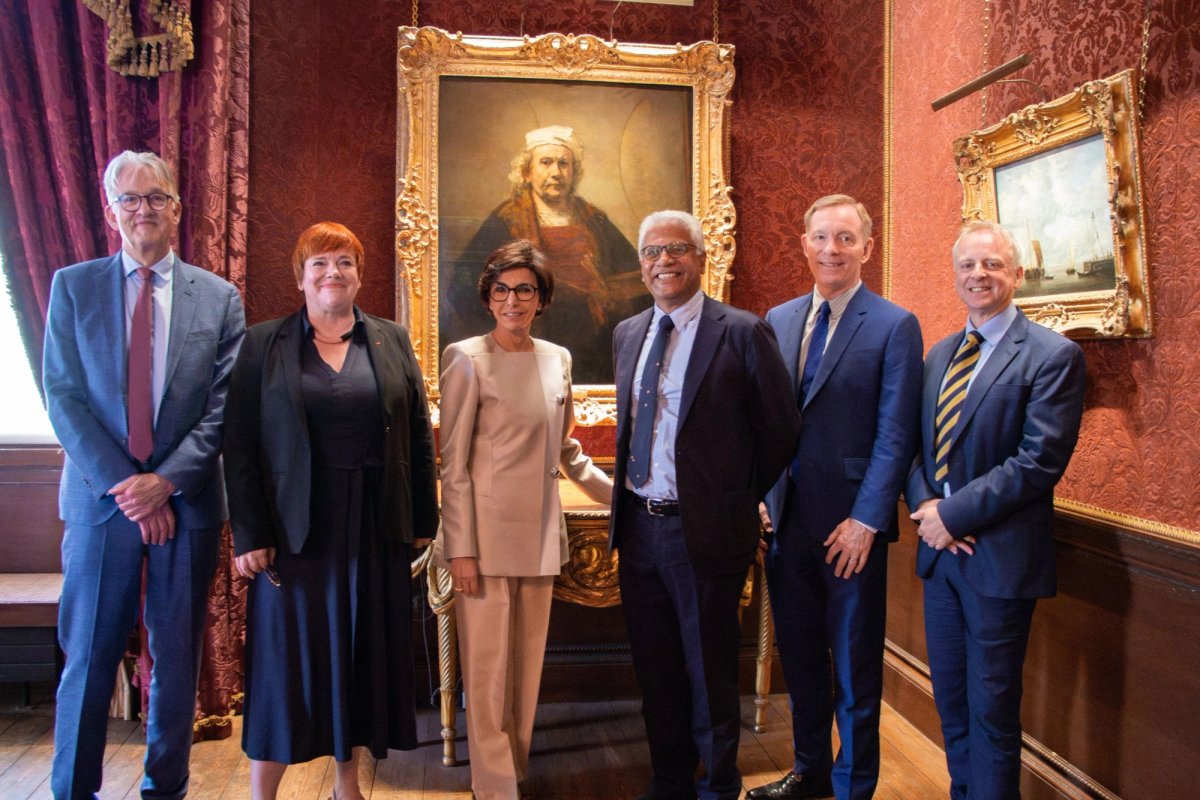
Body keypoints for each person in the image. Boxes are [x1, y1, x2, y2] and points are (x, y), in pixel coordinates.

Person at [43, 150, 246, 799]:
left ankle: (166, 787)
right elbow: (63, 395)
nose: (142, 210)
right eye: (128, 199)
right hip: (102, 505)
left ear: (177, 209)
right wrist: (128, 487)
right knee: (89, 657)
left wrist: (166, 481)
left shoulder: (218, 297)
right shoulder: (72, 288)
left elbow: (225, 404)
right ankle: (73, 789)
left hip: (186, 504)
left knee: (177, 656)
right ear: (110, 212)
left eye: (155, 197)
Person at [223, 222, 439, 800]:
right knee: (286, 665)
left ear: (360, 275)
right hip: (294, 533)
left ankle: (350, 787)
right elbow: (239, 443)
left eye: (344, 261)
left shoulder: (390, 339)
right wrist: (250, 532)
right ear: (300, 277)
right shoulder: (262, 343)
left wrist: (423, 521)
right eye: (319, 263)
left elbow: (417, 432)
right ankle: (261, 793)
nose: (332, 273)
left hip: (374, 525)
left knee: (358, 656)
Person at [610, 210, 801, 800]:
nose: (663, 261)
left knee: (710, 672)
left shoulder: (742, 331)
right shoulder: (627, 332)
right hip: (640, 530)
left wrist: (734, 498)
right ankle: (669, 781)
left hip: (708, 533)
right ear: (640, 264)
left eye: (675, 249)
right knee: (658, 673)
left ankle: (718, 786)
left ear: (700, 256)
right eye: (650, 252)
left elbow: (781, 430)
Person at [749, 195, 923, 800]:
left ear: (866, 249)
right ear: (804, 244)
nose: (832, 249)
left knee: (853, 668)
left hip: (852, 530)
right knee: (800, 661)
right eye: (821, 237)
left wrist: (867, 520)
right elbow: (768, 421)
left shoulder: (894, 324)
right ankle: (809, 775)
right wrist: (762, 495)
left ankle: (854, 788)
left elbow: (896, 433)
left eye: (846, 238)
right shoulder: (779, 318)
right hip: (786, 523)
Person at [906, 221, 1086, 800]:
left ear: (1017, 274)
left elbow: (1038, 462)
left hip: (999, 563)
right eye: (967, 265)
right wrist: (927, 506)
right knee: (952, 702)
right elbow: (915, 446)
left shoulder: (1052, 356)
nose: (978, 275)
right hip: (941, 559)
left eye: (991, 265)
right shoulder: (938, 355)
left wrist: (953, 514)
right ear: (954, 273)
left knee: (991, 712)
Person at [436, 239, 613, 800]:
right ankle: (494, 789)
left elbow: (568, 452)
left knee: (525, 671)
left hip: (540, 536)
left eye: (525, 290)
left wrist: (623, 499)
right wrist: (459, 549)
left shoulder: (557, 358)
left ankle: (513, 771)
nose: (513, 300)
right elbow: (453, 463)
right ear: (488, 298)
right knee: (487, 675)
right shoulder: (465, 358)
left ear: (542, 299)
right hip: (482, 543)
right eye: (503, 290)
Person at [442, 125, 645, 384]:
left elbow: (633, 279)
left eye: (564, 164)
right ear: (527, 172)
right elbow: (464, 286)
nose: (556, 173)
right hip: (530, 337)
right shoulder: (505, 221)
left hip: (593, 343)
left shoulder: (593, 218)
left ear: (574, 172)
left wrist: (605, 296)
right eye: (546, 163)